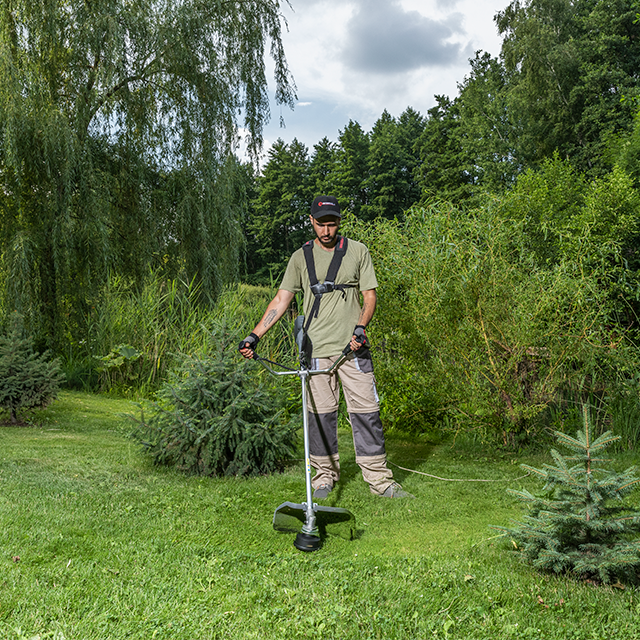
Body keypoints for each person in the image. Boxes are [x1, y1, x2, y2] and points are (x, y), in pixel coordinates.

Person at [239, 195, 412, 499]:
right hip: (314, 351)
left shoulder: (358, 251)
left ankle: (380, 480)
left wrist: (361, 326)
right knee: (320, 416)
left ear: (339, 222)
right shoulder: (299, 258)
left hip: (352, 348)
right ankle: (324, 478)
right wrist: (255, 335)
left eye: (332, 224)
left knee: (367, 412)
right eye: (321, 224)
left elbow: (369, 296)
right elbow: (281, 300)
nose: (327, 231)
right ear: (311, 222)